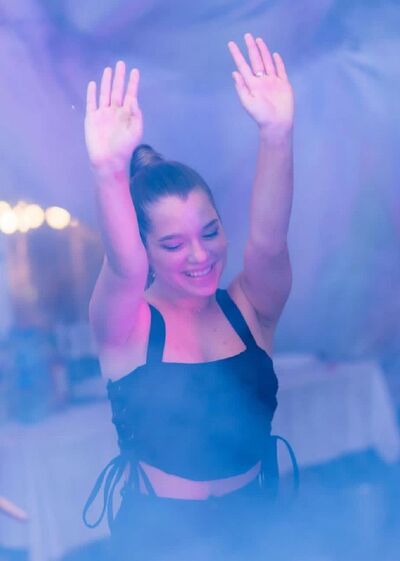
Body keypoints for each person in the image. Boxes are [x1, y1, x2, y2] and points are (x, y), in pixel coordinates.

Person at [82, 32, 298, 560]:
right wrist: (108, 171)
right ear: (146, 248)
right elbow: (124, 267)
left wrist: (276, 134)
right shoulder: (127, 325)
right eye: (174, 244)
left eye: (210, 232)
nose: (200, 255)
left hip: (257, 527)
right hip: (160, 540)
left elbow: (269, 242)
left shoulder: (249, 307)